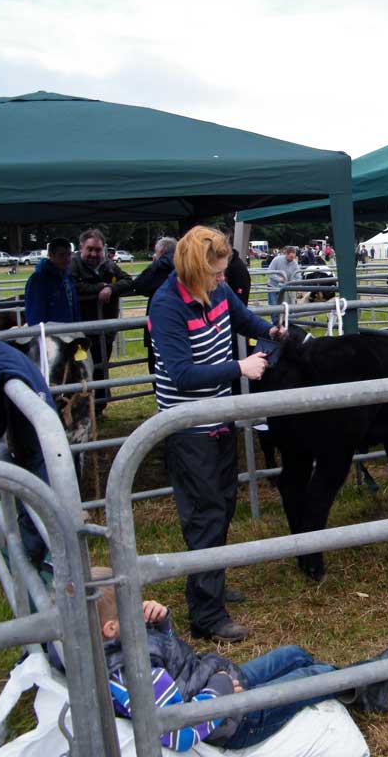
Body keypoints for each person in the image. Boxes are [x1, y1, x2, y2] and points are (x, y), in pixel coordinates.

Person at [91, 566, 388, 751]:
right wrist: (219, 693)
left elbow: (174, 663)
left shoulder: (127, 643)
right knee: (315, 674)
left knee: (293, 654)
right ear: (111, 628)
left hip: (219, 681)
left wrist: (160, 626)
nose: (142, 606)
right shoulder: (132, 674)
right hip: (235, 721)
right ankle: (374, 680)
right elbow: (176, 733)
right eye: (133, 607)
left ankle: (364, 687)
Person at [149, 226, 283, 642]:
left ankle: (213, 584)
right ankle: (206, 616)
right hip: (188, 426)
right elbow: (183, 374)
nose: (224, 279)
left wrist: (271, 331)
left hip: (220, 417)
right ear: (194, 270)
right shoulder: (167, 305)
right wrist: (239, 369)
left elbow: (243, 320)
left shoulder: (218, 293)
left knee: (223, 506)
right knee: (205, 515)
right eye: (217, 273)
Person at [70, 229, 134, 415]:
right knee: (80, 371)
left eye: (97, 250)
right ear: (81, 247)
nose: (93, 254)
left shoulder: (108, 266)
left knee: (101, 368)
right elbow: (74, 286)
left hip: (105, 330)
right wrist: (100, 287)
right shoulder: (73, 266)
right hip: (81, 331)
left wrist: (111, 289)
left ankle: (98, 407)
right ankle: (81, 409)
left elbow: (128, 281)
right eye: (89, 249)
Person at [133, 236, 177, 374]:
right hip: (179, 326)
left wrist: (155, 263)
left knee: (157, 369)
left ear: (162, 252)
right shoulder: (184, 264)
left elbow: (139, 285)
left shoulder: (161, 265)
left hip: (159, 326)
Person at [24, 237, 80, 325]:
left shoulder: (68, 277)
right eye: (61, 255)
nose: (67, 259)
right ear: (50, 255)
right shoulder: (38, 280)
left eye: (69, 254)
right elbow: (34, 314)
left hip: (70, 331)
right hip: (50, 334)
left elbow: (74, 307)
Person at [266, 246, 300, 325]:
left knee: (285, 306)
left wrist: (294, 282)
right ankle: (275, 324)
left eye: (294, 257)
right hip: (273, 287)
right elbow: (270, 272)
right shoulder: (277, 260)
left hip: (285, 289)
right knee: (274, 306)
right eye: (291, 257)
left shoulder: (294, 263)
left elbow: (298, 276)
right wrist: (279, 279)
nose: (292, 259)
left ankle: (286, 323)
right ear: (286, 254)